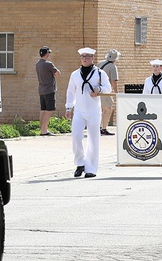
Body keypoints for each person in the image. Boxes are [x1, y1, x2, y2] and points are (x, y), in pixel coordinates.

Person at [64, 47, 111, 178]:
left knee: (93, 139)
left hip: (94, 110)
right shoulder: (75, 74)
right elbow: (70, 91)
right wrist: (69, 107)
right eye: (82, 56)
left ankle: (91, 168)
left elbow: (108, 87)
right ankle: (80, 163)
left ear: (92, 58)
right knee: (76, 136)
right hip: (79, 110)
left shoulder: (100, 73)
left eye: (87, 56)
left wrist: (98, 88)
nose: (84, 58)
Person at [35, 46, 61, 136]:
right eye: (49, 53)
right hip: (49, 89)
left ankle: (42, 129)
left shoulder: (37, 64)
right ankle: (44, 130)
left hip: (41, 89)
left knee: (43, 110)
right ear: (47, 54)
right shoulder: (48, 64)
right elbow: (57, 73)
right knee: (50, 110)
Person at [98, 49, 120, 135]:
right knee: (107, 109)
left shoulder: (100, 63)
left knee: (101, 109)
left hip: (97, 89)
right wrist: (116, 92)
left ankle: (98, 127)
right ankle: (103, 128)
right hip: (105, 90)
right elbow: (114, 81)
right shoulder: (112, 66)